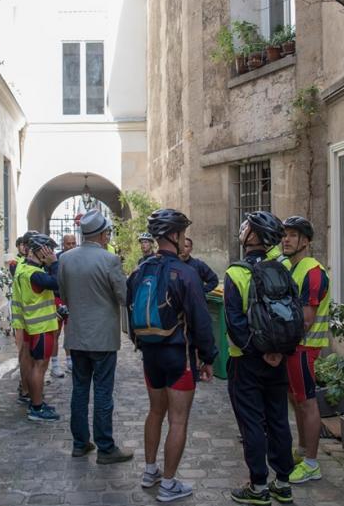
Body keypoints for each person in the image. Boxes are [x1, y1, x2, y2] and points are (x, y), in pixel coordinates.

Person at [127, 208, 217, 503]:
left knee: (155, 412)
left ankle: (150, 471)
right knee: (178, 420)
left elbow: (130, 312)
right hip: (179, 355)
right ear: (176, 236)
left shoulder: (140, 270)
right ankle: (168, 485)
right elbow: (201, 322)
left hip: (150, 356)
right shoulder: (186, 273)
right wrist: (209, 357)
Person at [224, 211, 294, 506]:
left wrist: (259, 350)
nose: (243, 230)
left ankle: (257, 486)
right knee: (278, 418)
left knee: (252, 422)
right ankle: (283, 482)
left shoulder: (235, 273)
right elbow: (293, 316)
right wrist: (278, 351)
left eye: (246, 228)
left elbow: (234, 323)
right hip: (279, 360)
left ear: (252, 237)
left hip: (246, 360)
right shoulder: (284, 268)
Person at [58, 209, 132, 463]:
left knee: (79, 390)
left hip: (77, 336)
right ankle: (105, 447)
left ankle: (80, 443)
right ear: (101, 234)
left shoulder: (66, 259)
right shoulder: (109, 260)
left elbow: (65, 296)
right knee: (102, 392)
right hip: (102, 337)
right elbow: (123, 297)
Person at [282, 216, 330, 485]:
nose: (285, 240)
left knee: (307, 401)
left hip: (303, 347)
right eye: (284, 235)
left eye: (292, 235)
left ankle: (312, 463)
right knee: (296, 399)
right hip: (294, 347)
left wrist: (281, 344)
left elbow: (306, 319)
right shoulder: (293, 268)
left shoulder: (312, 271)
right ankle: (302, 451)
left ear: (306, 241)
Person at [16, 233, 61, 422]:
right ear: (40, 251)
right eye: (48, 250)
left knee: (37, 366)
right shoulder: (35, 274)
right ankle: (36, 407)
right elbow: (58, 283)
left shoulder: (23, 269)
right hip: (41, 326)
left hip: (31, 326)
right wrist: (54, 263)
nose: (51, 253)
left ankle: (37, 402)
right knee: (40, 367)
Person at [9, 233, 31, 401]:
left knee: (29, 355)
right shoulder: (18, 265)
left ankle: (28, 385)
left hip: (29, 318)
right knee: (24, 353)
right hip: (24, 318)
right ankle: (25, 387)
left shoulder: (24, 264)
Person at [52, 233, 77, 376]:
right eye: (68, 243)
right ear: (63, 244)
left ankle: (70, 361)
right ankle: (55, 363)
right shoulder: (57, 259)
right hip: (58, 298)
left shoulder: (79, 258)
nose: (71, 246)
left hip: (73, 299)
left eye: (74, 243)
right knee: (56, 331)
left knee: (70, 331)